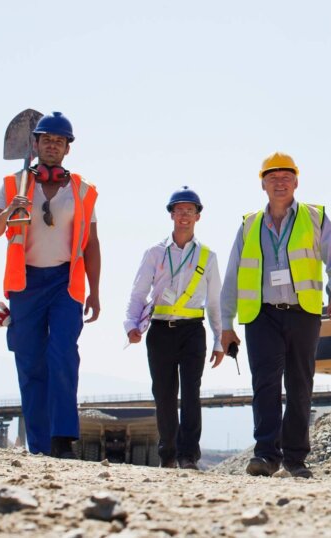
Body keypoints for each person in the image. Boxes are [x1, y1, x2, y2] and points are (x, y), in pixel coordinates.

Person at [220, 152, 331, 479]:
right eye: (273, 177)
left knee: (299, 385)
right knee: (265, 384)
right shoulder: (249, 225)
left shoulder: (315, 216)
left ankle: (295, 459)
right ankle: (265, 455)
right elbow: (232, 276)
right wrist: (226, 324)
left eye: (286, 177)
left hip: (303, 313)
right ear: (262, 184)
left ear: (296, 182)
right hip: (262, 315)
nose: (280, 182)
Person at [0, 111, 101, 458]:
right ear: (35, 144)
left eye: (59, 141)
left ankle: (62, 439)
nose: (53, 145)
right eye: (46, 139)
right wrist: (10, 211)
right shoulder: (13, 185)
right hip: (26, 284)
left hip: (66, 282)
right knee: (30, 362)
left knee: (63, 353)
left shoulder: (82, 190)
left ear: (67, 148)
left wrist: (95, 290)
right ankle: (39, 445)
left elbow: (91, 244)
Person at [124, 186, 225, 470]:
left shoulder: (208, 256)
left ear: (198, 217)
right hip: (160, 331)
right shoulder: (154, 253)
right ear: (171, 215)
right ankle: (167, 453)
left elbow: (215, 300)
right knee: (164, 392)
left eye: (189, 211)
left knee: (192, 391)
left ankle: (188, 455)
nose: (184, 216)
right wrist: (131, 324)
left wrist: (219, 339)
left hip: (193, 330)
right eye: (179, 210)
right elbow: (138, 292)